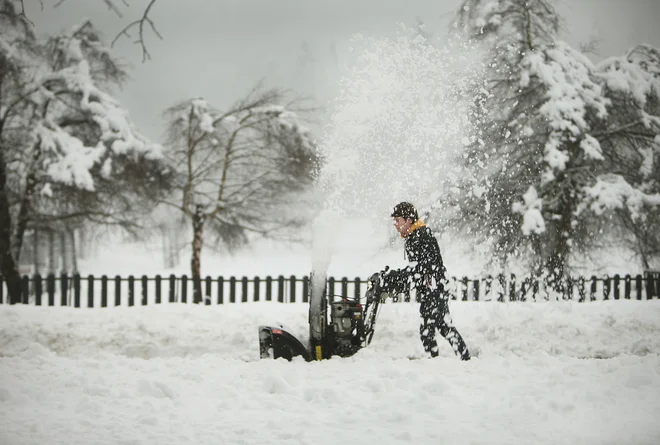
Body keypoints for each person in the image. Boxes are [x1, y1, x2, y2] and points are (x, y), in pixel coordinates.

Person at [381, 202, 471, 361]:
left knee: (428, 330)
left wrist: (394, 278)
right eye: (394, 220)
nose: (395, 224)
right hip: (435, 287)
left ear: (409, 220)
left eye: (398, 219)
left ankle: (442, 361)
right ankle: (462, 358)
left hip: (435, 287)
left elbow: (422, 268)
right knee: (442, 326)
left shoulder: (420, 235)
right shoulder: (414, 236)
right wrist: (397, 278)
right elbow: (417, 269)